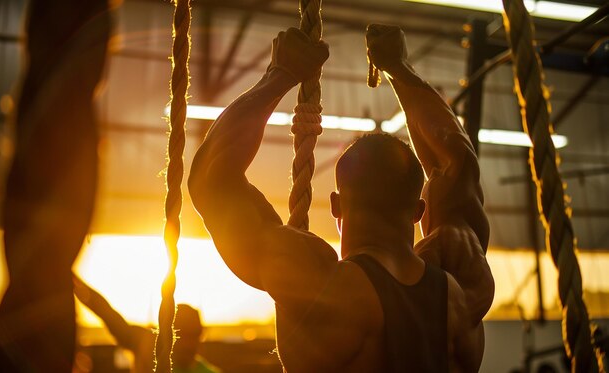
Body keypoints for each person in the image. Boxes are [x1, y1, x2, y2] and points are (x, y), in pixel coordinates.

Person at [188, 24, 494, 372]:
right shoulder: (461, 294)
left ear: (336, 205)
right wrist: (400, 68)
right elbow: (456, 162)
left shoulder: (317, 285)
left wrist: (279, 75)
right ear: (418, 211)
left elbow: (212, 180)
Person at [73, 275, 221, 373]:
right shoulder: (147, 347)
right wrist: (72, 281)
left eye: (194, 335)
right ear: (167, 333)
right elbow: (109, 315)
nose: (189, 344)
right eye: (182, 335)